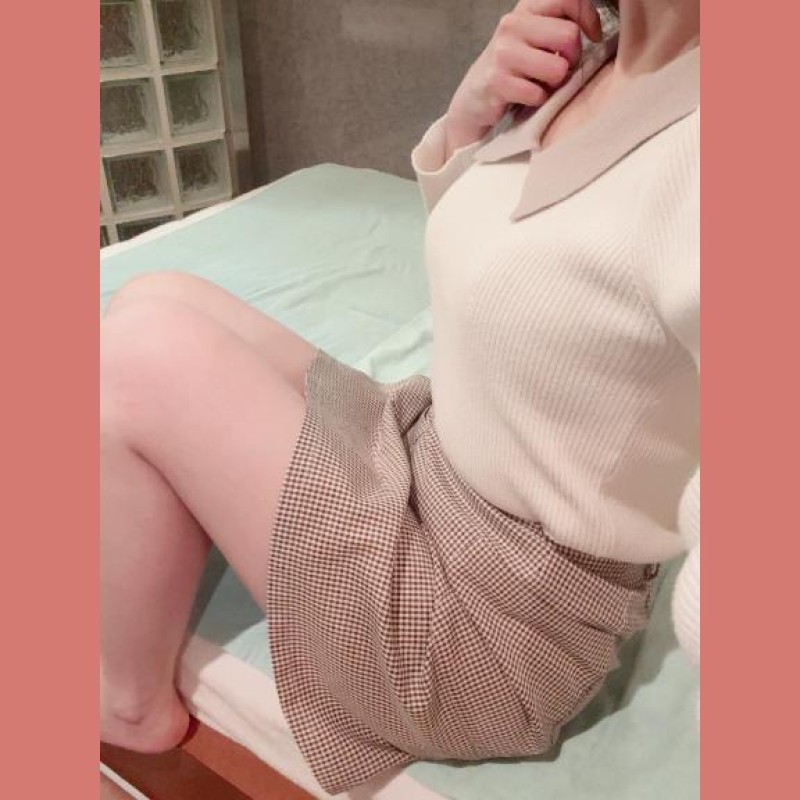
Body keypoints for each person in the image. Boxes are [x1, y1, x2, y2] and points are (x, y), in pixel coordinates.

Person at [100, 0, 699, 794]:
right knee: (155, 297)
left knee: (139, 354)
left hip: (495, 627)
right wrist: (470, 123)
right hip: (434, 463)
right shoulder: (599, 54)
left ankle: (128, 703)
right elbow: (505, 278)